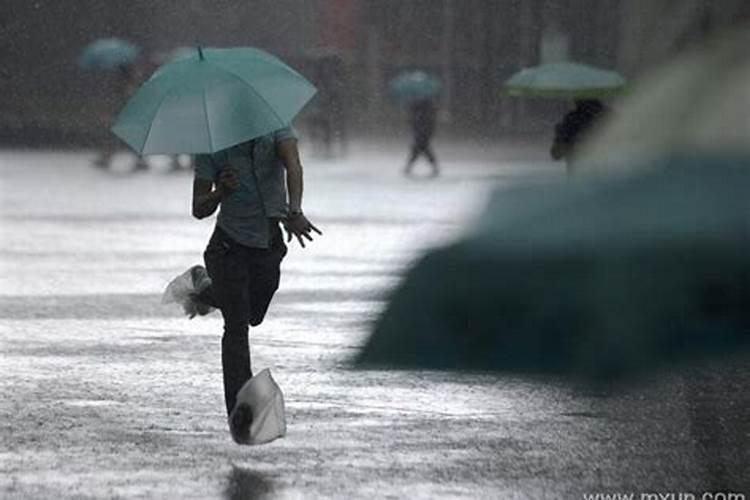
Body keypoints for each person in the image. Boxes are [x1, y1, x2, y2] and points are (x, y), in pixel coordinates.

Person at [171, 126, 321, 443]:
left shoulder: (277, 125)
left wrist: (294, 210)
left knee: (253, 314)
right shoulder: (213, 142)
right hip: (228, 248)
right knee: (237, 326)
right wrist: (219, 193)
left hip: (267, 245)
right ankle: (241, 412)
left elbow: (293, 164)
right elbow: (199, 208)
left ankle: (204, 290)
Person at [93, 63, 149, 172]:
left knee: (116, 139)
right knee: (130, 139)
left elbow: (118, 103)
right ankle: (139, 160)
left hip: (123, 117)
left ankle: (107, 157)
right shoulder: (131, 86)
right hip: (129, 118)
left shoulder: (122, 87)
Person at [550, 98, 608, 171]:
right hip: (608, 175)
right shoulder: (609, 117)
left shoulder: (571, 120)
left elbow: (556, 154)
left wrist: (560, 135)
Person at [404, 98, 439, 177]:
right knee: (422, 150)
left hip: (422, 135)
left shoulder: (421, 114)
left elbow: (417, 125)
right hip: (422, 135)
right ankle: (409, 167)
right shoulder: (425, 114)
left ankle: (408, 167)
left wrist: (420, 133)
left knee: (419, 150)